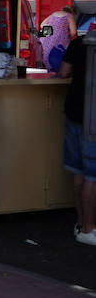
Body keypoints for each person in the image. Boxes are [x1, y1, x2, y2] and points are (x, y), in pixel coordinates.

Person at [58, 32, 96, 246]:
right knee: (93, 175)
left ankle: (81, 224)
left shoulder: (78, 42)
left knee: (78, 171)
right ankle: (90, 229)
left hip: (74, 113)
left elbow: (63, 72)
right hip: (93, 119)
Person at [39, 4, 78, 72]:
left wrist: (53, 27)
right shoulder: (69, 16)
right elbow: (73, 32)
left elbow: (42, 25)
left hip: (48, 39)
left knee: (47, 55)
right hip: (61, 40)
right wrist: (67, 36)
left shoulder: (54, 14)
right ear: (73, 12)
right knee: (58, 57)